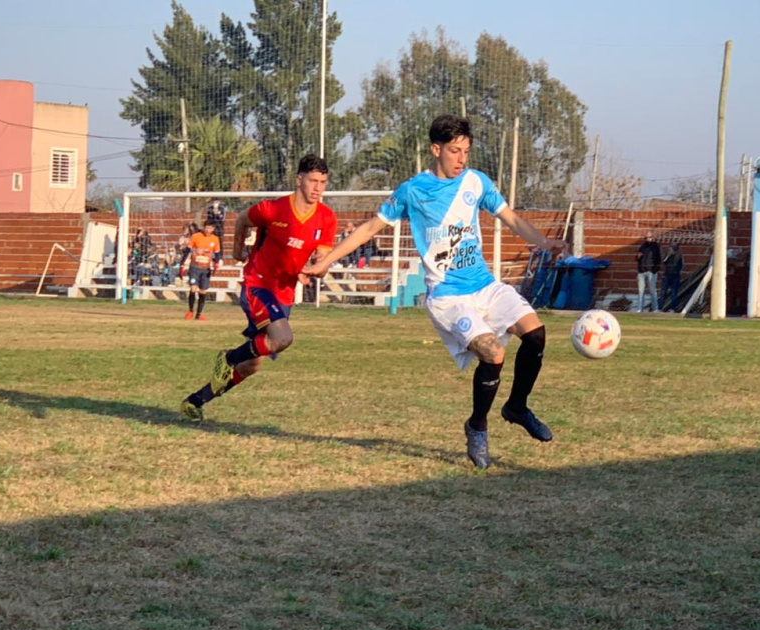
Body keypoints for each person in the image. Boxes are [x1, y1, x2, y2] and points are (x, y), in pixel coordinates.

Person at [304, 115, 568, 468]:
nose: (462, 158)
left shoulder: (476, 181)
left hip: (484, 284)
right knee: (493, 353)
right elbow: (369, 228)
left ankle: (517, 407)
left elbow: (511, 219)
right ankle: (477, 426)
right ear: (435, 149)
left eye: (466, 151)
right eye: (455, 151)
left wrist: (545, 242)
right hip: (448, 296)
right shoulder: (413, 191)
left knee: (536, 333)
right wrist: (327, 260)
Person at [180, 154, 336, 421]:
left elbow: (323, 260)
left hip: (284, 293)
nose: (318, 188)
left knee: (253, 363)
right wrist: (237, 250)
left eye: (323, 182)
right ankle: (228, 358)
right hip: (258, 284)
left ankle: (196, 401)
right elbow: (243, 219)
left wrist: (316, 269)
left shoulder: (327, 218)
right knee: (282, 338)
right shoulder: (272, 209)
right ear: (299, 180)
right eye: (313, 181)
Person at [184, 220, 221, 321]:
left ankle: (199, 314)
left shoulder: (215, 239)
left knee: (203, 291)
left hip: (206, 269)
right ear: (204, 227)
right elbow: (188, 250)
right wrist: (183, 263)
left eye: (211, 228)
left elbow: (217, 253)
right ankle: (190, 311)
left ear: (213, 229)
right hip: (194, 267)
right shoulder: (196, 236)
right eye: (207, 227)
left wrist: (216, 262)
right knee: (193, 288)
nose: (208, 230)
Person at [636, 231, 662, 313]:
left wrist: (655, 269)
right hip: (642, 271)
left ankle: (655, 308)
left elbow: (658, 259)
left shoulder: (655, 246)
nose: (648, 239)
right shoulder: (643, 246)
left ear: (653, 237)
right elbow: (637, 257)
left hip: (651, 270)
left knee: (652, 290)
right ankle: (640, 308)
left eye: (649, 237)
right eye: (646, 237)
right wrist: (638, 257)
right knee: (641, 290)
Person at [660, 243, 684, 310]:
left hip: (675, 276)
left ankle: (673, 308)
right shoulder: (668, 255)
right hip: (666, 275)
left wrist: (676, 271)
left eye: (670, 249)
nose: (669, 250)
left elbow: (680, 266)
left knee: (673, 292)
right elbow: (664, 262)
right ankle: (660, 306)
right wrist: (668, 255)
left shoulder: (678, 256)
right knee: (663, 292)